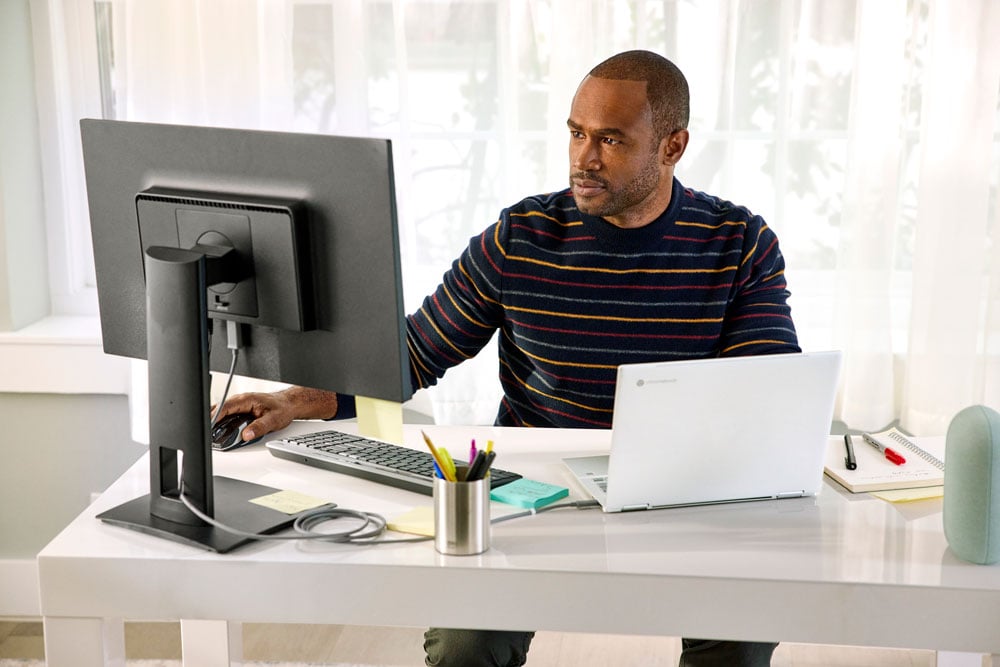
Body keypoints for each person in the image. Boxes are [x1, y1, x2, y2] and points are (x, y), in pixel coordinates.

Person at [218, 50, 798, 667]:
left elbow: (761, 396)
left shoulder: (740, 243)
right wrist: (299, 398)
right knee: (465, 646)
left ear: (672, 146)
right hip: (534, 490)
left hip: (684, 493)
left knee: (738, 635)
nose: (584, 158)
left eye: (610, 139)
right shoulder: (521, 235)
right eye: (576, 133)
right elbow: (414, 353)